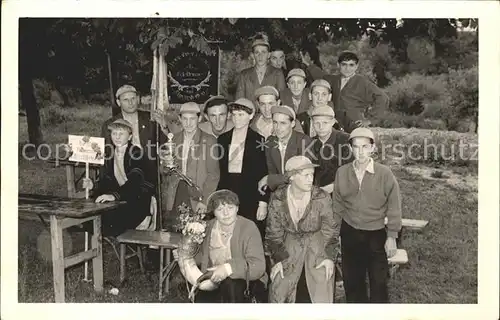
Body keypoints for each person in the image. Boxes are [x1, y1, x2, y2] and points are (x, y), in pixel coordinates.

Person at [333, 127, 402, 303]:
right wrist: (335, 235)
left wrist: (392, 236)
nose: (361, 151)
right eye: (356, 147)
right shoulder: (342, 172)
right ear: (350, 149)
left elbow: (394, 205)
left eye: (365, 146)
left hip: (376, 233)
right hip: (350, 232)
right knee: (353, 282)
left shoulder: (384, 173)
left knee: (378, 282)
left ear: (372, 148)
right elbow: (337, 205)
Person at [266, 156, 340, 303]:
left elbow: (330, 229)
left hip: (317, 244)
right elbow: (273, 232)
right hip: (289, 244)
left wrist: (328, 258)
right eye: (306, 175)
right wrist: (278, 260)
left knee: (321, 280)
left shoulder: (321, 197)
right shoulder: (278, 198)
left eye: (312, 174)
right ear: (291, 176)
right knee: (280, 283)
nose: (310, 179)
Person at [175, 189, 266, 303]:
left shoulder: (248, 227)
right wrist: (186, 255)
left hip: (243, 283)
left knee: (231, 285)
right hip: (212, 282)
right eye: (220, 209)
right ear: (214, 212)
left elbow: (258, 266)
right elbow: (202, 257)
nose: (226, 213)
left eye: (230, 208)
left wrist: (228, 268)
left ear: (237, 208)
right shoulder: (207, 227)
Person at [88, 119, 155, 236]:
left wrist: (114, 196)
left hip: (138, 201)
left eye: (121, 134)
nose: (117, 137)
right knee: (93, 216)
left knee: (105, 221)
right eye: (114, 133)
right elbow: (108, 180)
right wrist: (93, 186)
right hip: (122, 200)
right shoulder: (111, 154)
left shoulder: (135, 153)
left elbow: (135, 183)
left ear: (129, 137)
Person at [216, 98, 269, 239]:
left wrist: (263, 202)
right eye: (234, 114)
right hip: (227, 192)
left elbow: (264, 173)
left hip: (249, 194)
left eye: (241, 115)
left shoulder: (259, 140)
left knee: (248, 235)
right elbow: (219, 171)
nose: (236, 118)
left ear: (251, 116)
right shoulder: (222, 139)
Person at [162, 102, 220, 229]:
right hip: (176, 193)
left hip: (197, 194)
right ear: (180, 119)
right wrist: (165, 165)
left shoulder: (209, 140)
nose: (188, 123)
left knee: (194, 234)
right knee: (175, 232)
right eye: (185, 119)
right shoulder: (173, 140)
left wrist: (204, 201)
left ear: (199, 119)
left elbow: (213, 175)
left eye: (192, 119)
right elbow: (165, 172)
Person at [301, 50, 389, 133]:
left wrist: (370, 120)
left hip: (354, 124)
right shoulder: (334, 80)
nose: (347, 68)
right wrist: (308, 65)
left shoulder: (362, 82)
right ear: (338, 65)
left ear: (356, 66)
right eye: (344, 65)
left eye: (351, 65)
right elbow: (321, 76)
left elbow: (382, 98)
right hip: (335, 124)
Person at [258, 105, 313, 195]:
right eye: (275, 122)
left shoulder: (304, 141)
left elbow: (300, 173)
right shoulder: (270, 141)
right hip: (279, 193)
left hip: (300, 192)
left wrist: (270, 179)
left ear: (292, 124)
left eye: (283, 123)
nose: (278, 128)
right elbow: (271, 171)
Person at [310, 106, 354, 194]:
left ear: (333, 122)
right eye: (317, 123)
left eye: (325, 123)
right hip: (317, 193)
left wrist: (330, 188)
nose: (320, 127)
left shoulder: (345, 140)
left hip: (342, 192)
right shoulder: (310, 142)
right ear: (312, 123)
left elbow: (352, 172)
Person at [235, 35, 286, 101]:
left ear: (268, 55)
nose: (260, 56)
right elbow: (239, 101)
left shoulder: (277, 73)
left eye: (263, 52)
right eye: (257, 52)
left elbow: (282, 99)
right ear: (252, 55)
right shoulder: (244, 75)